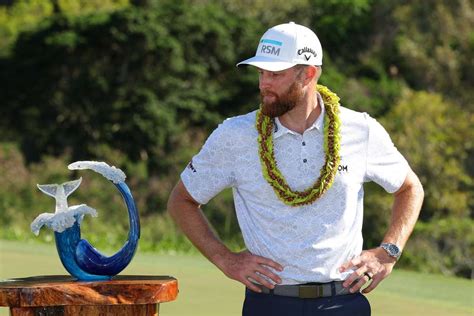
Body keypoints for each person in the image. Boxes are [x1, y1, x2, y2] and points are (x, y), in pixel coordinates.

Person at [167, 22, 424, 316]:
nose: (264, 83)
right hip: (268, 304)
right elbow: (182, 200)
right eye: (261, 73)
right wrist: (226, 260)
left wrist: (388, 253)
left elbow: (409, 187)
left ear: (309, 74)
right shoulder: (234, 135)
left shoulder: (360, 129)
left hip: (343, 301)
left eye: (275, 74)